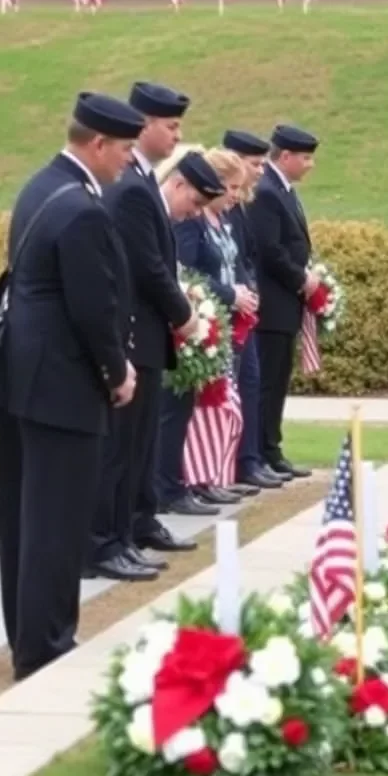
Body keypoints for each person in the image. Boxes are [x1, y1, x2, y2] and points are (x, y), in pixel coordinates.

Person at [0, 92, 142, 681]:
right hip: (61, 389)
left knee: (25, 519)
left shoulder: (39, 186)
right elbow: (92, 308)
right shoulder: (82, 208)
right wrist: (117, 371)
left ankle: (26, 633)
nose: (128, 161)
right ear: (97, 144)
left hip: (22, 382)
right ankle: (45, 645)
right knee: (56, 522)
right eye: (125, 149)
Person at [85, 82, 200, 582]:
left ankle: (132, 525)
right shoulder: (130, 186)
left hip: (148, 335)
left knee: (138, 445)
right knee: (120, 448)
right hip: (136, 332)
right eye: (170, 126)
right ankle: (106, 541)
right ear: (143, 123)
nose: (177, 135)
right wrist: (184, 314)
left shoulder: (142, 179)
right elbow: (147, 265)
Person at [172, 145, 259, 502]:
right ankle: (191, 478)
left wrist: (246, 290)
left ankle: (214, 473)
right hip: (206, 317)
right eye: (232, 188)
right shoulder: (192, 222)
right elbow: (189, 273)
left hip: (228, 323)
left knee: (225, 397)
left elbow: (237, 261)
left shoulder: (223, 221)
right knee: (200, 403)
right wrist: (228, 293)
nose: (237, 196)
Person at [152, 151, 229, 514]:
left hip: (175, 321)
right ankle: (164, 489)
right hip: (161, 329)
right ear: (178, 183)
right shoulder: (155, 214)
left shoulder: (166, 217)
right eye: (195, 202)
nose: (195, 213)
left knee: (174, 411)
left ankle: (167, 487)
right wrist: (187, 316)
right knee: (167, 414)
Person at [250, 124, 320, 481]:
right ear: (286, 156)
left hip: (286, 306)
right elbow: (270, 250)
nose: (310, 165)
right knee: (268, 382)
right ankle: (263, 450)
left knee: (278, 380)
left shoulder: (283, 191)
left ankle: (271, 447)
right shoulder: (266, 192)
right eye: (305, 158)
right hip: (272, 306)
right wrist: (301, 279)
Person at [222, 129, 286, 491]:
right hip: (227, 311)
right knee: (234, 388)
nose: (260, 171)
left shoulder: (242, 205)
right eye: (254, 163)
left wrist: (250, 288)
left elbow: (247, 256)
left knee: (250, 384)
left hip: (244, 310)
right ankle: (236, 463)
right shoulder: (225, 206)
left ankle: (250, 459)